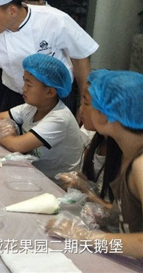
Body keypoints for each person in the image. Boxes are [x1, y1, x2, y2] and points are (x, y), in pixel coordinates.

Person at [46, 70, 143, 258]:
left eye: (87, 103)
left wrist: (84, 235)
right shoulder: (128, 154)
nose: (82, 109)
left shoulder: (140, 164)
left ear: (105, 115)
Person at [0, 54, 86, 179]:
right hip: (33, 174)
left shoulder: (59, 118)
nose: (23, 88)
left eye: (29, 85)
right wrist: (7, 127)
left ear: (50, 92)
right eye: (24, 82)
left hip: (55, 183)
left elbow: (16, 145)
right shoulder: (31, 107)